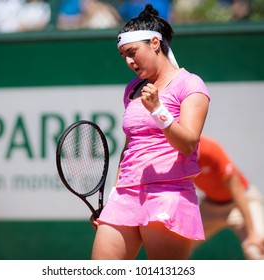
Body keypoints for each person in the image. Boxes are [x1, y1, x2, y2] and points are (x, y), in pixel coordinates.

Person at [91, 4, 210, 260]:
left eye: (132, 52)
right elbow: (129, 148)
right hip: (125, 194)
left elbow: (188, 143)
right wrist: (113, 195)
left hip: (169, 194)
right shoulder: (132, 90)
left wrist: (158, 109)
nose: (129, 61)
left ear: (155, 43)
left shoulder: (190, 84)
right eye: (124, 55)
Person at [193, 135, 264, 260]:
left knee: (256, 250)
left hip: (242, 201)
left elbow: (237, 189)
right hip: (211, 206)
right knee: (176, 246)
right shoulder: (173, 154)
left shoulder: (209, 148)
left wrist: (252, 233)